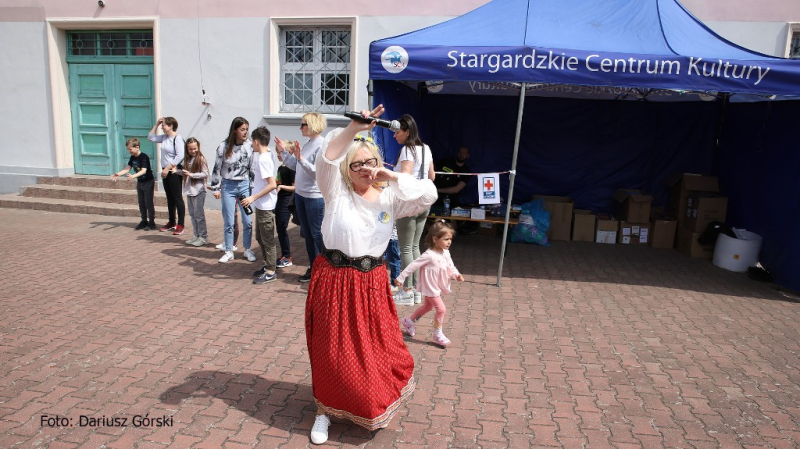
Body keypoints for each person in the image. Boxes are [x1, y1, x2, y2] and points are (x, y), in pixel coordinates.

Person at [305, 106, 437, 444]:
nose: (364, 169)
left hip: (371, 282)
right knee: (329, 350)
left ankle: (364, 400)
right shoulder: (335, 189)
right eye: (357, 164)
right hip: (334, 278)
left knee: (375, 350)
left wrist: (392, 177)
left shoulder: (391, 197)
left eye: (370, 162)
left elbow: (429, 194)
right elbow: (327, 156)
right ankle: (323, 412)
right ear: (347, 170)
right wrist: (353, 128)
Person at [394, 220, 464, 348]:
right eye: (446, 239)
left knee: (428, 307)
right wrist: (401, 277)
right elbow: (412, 266)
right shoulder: (429, 255)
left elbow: (451, 267)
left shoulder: (446, 252)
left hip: (437, 285)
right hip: (430, 287)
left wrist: (456, 275)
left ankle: (409, 321)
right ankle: (437, 333)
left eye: (450, 239)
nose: (449, 242)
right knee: (441, 309)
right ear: (435, 239)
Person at [274, 113, 326, 283]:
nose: (300, 127)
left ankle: (324, 270)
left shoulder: (322, 145)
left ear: (311, 125)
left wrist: (301, 158)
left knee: (317, 234)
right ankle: (314, 267)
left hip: (314, 196)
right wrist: (285, 153)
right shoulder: (308, 143)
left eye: (303, 124)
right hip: (301, 195)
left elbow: (317, 173)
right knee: (308, 235)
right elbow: (297, 165)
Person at [392, 114, 436, 306]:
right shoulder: (426, 148)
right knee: (415, 246)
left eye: (397, 132)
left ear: (407, 132)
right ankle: (416, 291)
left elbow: (405, 177)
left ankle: (407, 291)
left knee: (406, 248)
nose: (395, 136)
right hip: (424, 202)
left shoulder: (407, 150)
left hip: (409, 202)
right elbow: (432, 176)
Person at [209, 117, 257, 264]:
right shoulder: (223, 146)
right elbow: (217, 168)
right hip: (228, 186)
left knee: (247, 221)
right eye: (242, 129)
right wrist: (216, 187)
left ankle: (247, 249)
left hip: (244, 186)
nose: (245, 132)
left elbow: (252, 168)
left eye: (247, 129)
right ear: (235, 130)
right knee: (229, 221)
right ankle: (229, 250)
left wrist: (253, 188)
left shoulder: (250, 146)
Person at [241, 126, 278, 284]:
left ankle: (271, 271)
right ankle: (266, 264)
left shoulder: (263, 159)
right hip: (262, 205)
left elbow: (272, 184)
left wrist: (252, 197)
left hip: (265, 205)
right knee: (260, 237)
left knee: (267, 239)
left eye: (252, 141)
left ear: (256, 142)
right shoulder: (267, 153)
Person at [148, 117, 186, 235]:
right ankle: (171, 221)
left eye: (163, 125)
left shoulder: (177, 138)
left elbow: (180, 156)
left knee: (177, 197)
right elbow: (151, 138)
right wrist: (157, 124)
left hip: (173, 170)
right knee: (169, 198)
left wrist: (167, 168)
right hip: (165, 170)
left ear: (171, 126)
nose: (162, 127)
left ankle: (180, 224)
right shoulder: (164, 138)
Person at [111, 138, 156, 230]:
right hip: (140, 182)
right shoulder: (132, 158)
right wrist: (118, 174)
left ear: (137, 147)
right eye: (128, 149)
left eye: (130, 149)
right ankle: (144, 221)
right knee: (141, 202)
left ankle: (151, 222)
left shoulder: (144, 157)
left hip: (148, 182)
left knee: (148, 202)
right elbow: (128, 168)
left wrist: (133, 176)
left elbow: (144, 170)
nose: (129, 151)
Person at [434, 145, 476, 235]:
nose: (461, 155)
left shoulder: (466, 171)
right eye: (460, 152)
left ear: (467, 156)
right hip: (434, 194)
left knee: (453, 214)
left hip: (450, 198)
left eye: (464, 154)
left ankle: (449, 231)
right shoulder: (445, 161)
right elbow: (431, 170)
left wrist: (438, 190)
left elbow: (456, 189)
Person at [178, 137, 209, 246]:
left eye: (195, 148)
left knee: (199, 215)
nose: (193, 151)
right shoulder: (187, 159)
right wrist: (177, 171)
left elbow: (205, 174)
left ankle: (203, 237)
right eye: (190, 149)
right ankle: (196, 235)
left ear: (198, 147)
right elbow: (186, 172)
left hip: (199, 190)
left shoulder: (200, 159)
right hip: (190, 190)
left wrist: (191, 175)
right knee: (192, 214)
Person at [275, 140, 297, 268]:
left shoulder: (291, 168)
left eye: (280, 152)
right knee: (279, 228)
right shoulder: (280, 167)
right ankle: (284, 254)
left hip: (287, 200)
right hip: (280, 199)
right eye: (278, 152)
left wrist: (282, 187)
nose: (278, 155)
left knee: (282, 227)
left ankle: (287, 256)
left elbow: (295, 187)